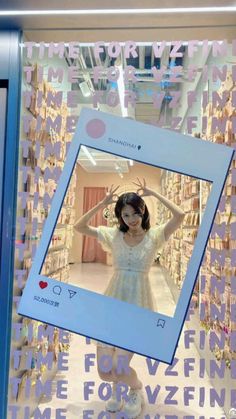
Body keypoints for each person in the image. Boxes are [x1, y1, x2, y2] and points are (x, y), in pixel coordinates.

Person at [74, 178, 185, 418]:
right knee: (105, 370)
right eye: (126, 215)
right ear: (120, 217)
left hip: (138, 305)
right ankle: (117, 387)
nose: (131, 219)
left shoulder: (155, 236)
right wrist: (101, 204)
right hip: (113, 302)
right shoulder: (113, 235)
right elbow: (79, 227)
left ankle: (135, 390)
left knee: (120, 364)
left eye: (136, 213)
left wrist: (154, 196)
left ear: (143, 211)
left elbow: (180, 215)